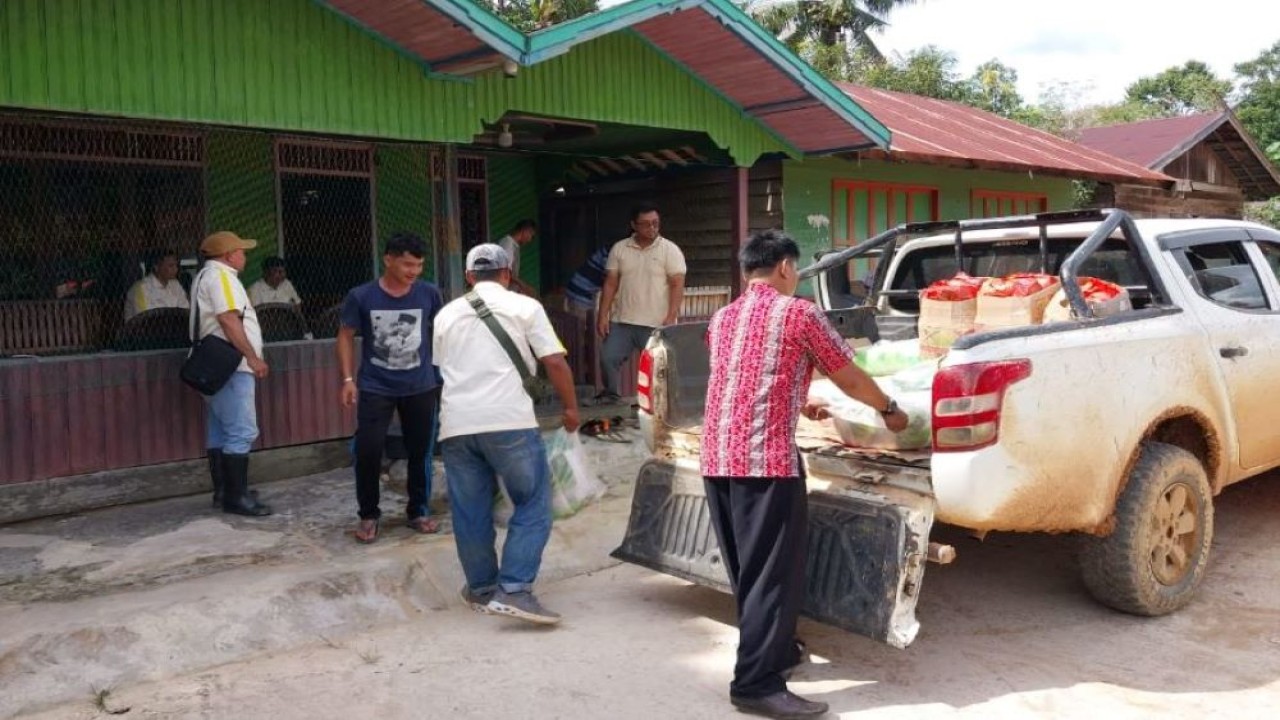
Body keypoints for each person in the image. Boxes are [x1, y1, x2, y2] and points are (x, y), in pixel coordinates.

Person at [701, 230, 908, 719]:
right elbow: (849, 375)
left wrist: (800, 399)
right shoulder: (799, 312)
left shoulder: (723, 317)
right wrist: (890, 409)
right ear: (787, 269)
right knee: (772, 576)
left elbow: (745, 376)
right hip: (765, 463)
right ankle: (755, 684)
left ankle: (774, 652)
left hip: (717, 460)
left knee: (748, 572)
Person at [432, 243, 579, 625]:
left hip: (456, 426)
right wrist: (571, 408)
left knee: (470, 510)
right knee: (532, 502)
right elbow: (554, 362)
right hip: (509, 421)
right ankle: (514, 590)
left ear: (468, 277)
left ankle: (481, 589)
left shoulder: (446, 314)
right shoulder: (525, 307)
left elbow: (441, 367)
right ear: (507, 273)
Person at [337, 233, 444, 543]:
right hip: (375, 385)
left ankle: (418, 510)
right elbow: (345, 335)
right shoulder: (362, 296)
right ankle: (368, 515)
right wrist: (347, 380)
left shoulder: (429, 293)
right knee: (368, 450)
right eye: (408, 264)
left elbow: (443, 331)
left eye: (419, 265)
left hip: (420, 385)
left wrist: (442, 373)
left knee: (421, 450)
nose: (414, 271)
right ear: (388, 260)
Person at [192, 231, 273, 517]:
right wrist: (252, 357)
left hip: (212, 365)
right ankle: (236, 498)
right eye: (241, 251)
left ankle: (225, 491)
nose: (244, 256)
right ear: (228, 255)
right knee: (241, 430)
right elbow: (228, 318)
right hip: (231, 365)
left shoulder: (205, 276)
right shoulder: (223, 278)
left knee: (219, 430)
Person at [594, 202, 685, 404]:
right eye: (646, 224)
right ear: (633, 225)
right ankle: (611, 396)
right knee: (608, 358)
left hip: (656, 323)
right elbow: (610, 284)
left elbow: (677, 284)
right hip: (622, 321)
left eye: (655, 223)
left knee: (658, 368)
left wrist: (671, 316)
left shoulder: (670, 250)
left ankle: (657, 406)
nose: (652, 228)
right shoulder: (619, 248)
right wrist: (603, 316)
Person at [124, 251, 189, 320]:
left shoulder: (175, 284)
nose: (175, 269)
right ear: (156, 266)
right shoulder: (141, 288)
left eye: (176, 265)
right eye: (171, 266)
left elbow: (185, 310)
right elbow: (145, 318)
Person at [564, 246, 610, 322]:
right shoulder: (611, 254)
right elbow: (611, 281)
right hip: (580, 294)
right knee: (579, 328)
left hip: (584, 293)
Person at [496, 219, 537, 296]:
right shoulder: (508, 243)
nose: (530, 240)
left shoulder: (514, 245)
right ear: (525, 231)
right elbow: (506, 271)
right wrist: (524, 286)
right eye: (531, 235)